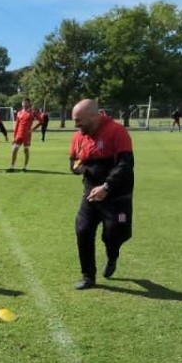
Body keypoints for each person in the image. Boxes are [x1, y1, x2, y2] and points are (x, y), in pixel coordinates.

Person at [69, 98, 135, 290]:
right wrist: (76, 168)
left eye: (79, 120)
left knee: (115, 234)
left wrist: (106, 187)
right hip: (91, 194)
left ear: (93, 116)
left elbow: (125, 165)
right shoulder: (78, 136)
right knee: (83, 229)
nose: (76, 125)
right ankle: (88, 276)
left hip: (117, 196)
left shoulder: (117, 131)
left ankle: (112, 255)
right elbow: (73, 160)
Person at [7, 98, 42, 172]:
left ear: (29, 103)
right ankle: (12, 167)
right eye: (23, 103)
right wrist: (14, 137)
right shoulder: (19, 113)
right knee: (14, 150)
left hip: (27, 135)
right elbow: (17, 125)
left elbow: (41, 121)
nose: (24, 104)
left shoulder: (33, 112)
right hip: (19, 134)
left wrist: (32, 129)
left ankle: (25, 167)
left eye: (26, 103)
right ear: (22, 104)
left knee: (25, 150)